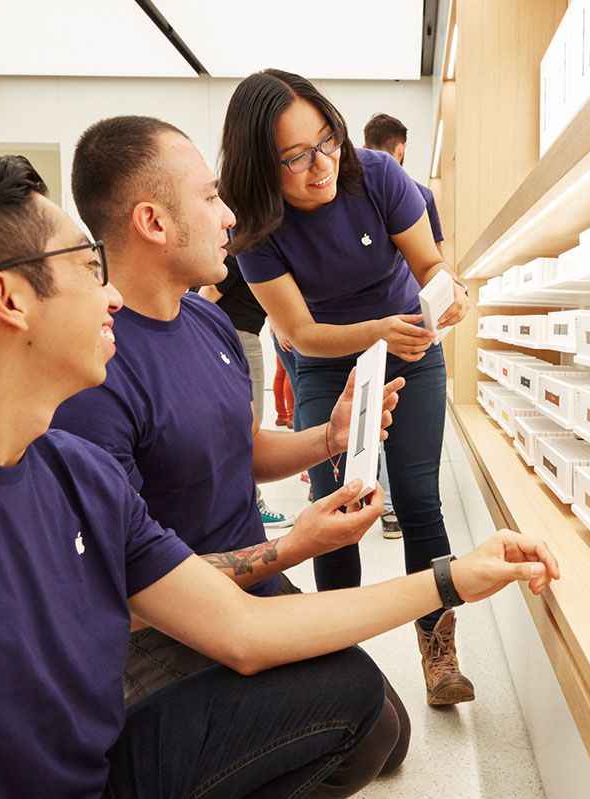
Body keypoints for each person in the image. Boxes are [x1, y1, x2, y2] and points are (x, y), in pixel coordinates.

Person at [0, 154, 560, 797]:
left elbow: (240, 626)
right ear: (9, 299)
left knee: (353, 695)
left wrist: (454, 577)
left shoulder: (73, 471)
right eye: (88, 270)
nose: (109, 294)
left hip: (97, 767)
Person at [55, 114, 414, 780]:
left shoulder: (206, 319)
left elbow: (239, 446)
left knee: (390, 735)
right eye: (211, 196)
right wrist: (298, 543)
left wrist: (328, 438)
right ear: (153, 222)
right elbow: (130, 592)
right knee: (364, 731)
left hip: (258, 582)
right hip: (173, 621)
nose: (230, 218)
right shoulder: (97, 372)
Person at [220, 70, 477, 706]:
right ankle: (338, 667)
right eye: (295, 157)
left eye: (327, 140)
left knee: (418, 498)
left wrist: (451, 294)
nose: (321, 165)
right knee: (336, 505)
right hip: (327, 363)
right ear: (261, 166)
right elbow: (301, 333)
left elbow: (430, 264)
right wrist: (373, 334)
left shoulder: (376, 175)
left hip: (410, 350)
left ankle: (438, 654)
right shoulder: (255, 228)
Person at [362, 112, 448, 540]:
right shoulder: (420, 193)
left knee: (367, 436)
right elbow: (434, 262)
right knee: (407, 453)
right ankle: (392, 507)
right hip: (408, 327)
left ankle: (377, 497)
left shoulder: (360, 189)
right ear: (401, 149)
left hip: (398, 340)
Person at [199, 255, 295, 528]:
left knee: (238, 426)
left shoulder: (243, 254)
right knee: (249, 426)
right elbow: (206, 295)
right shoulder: (238, 254)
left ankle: (244, 503)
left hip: (235, 333)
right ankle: (251, 504)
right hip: (237, 335)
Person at [362, 113, 445, 257]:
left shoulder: (349, 196)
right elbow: (437, 259)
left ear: (364, 149)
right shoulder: (423, 197)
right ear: (401, 149)